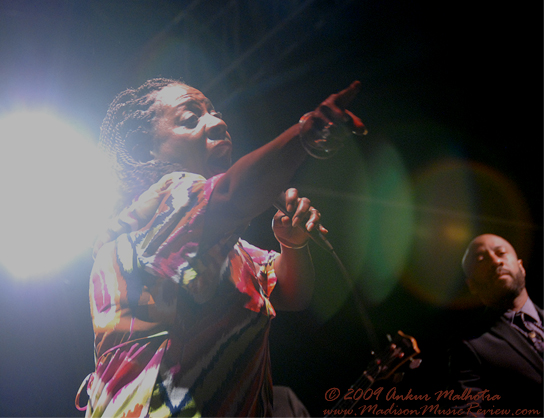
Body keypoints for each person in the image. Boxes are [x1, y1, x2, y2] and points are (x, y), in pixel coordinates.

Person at [75, 77, 366, 417]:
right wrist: (308, 130)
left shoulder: (227, 248)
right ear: (147, 150)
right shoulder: (154, 209)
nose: (217, 122)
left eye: (214, 112)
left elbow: (291, 293)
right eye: (190, 118)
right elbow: (231, 196)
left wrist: (292, 244)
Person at [448, 234, 543, 415]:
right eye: (481, 259)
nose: (495, 261)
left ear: (521, 267)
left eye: (501, 253)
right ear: (471, 285)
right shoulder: (467, 347)